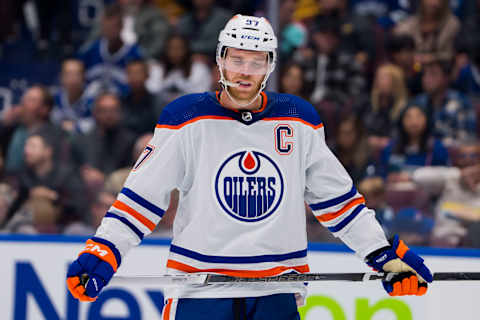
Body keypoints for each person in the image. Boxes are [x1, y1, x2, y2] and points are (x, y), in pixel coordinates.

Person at [66, 15, 433, 318]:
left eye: (256, 61)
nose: (245, 71)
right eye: (237, 59)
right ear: (220, 60)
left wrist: (383, 254)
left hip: (277, 290)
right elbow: (141, 200)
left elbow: (339, 203)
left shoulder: (299, 119)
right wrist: (105, 250)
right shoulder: (185, 118)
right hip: (201, 289)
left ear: (270, 65)